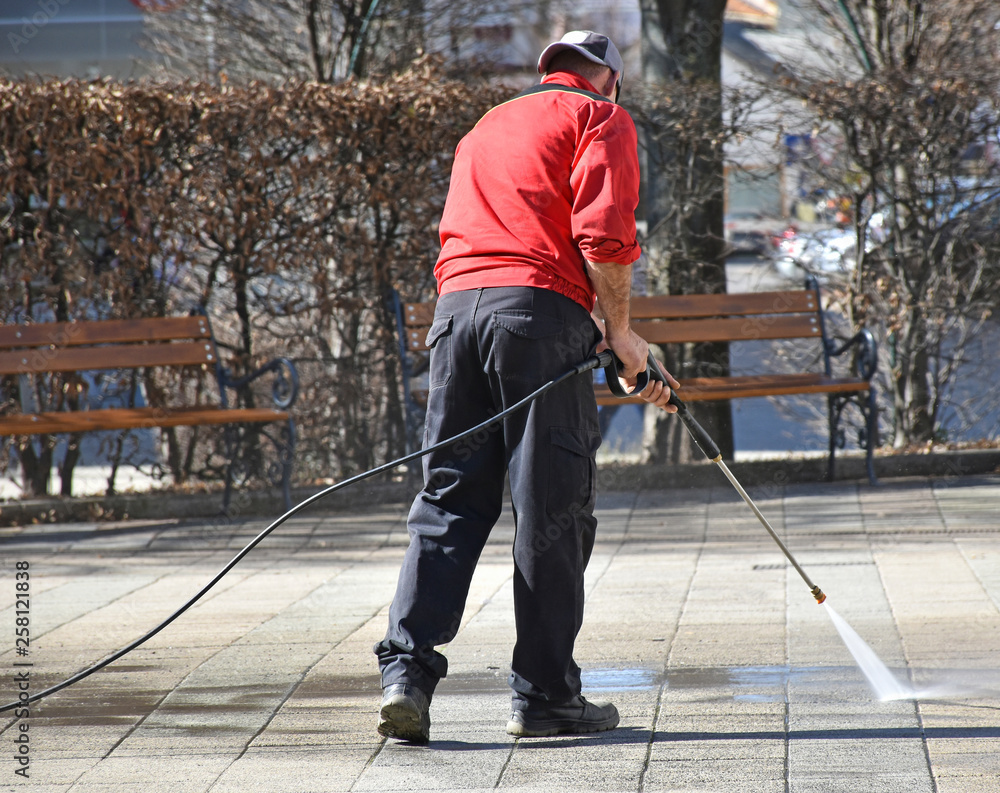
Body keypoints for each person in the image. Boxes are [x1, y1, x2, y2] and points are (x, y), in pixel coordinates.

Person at [373, 30, 679, 743]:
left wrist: (594, 328)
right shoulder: (600, 117)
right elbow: (603, 237)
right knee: (551, 504)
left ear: (551, 73)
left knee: (449, 497)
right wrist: (624, 333)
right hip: (536, 317)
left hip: (456, 317)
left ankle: (406, 677)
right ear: (608, 79)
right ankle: (545, 697)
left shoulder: (485, 127)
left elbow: (498, 236)